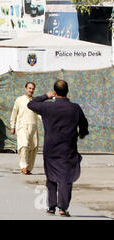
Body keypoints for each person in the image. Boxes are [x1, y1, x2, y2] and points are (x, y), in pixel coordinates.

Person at [27, 80, 89, 217]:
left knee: (51, 176)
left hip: (51, 148)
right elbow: (84, 124)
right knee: (65, 178)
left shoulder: (47, 107)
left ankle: (51, 206)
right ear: (67, 91)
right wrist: (82, 133)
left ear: (54, 92)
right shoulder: (75, 108)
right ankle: (63, 208)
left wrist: (45, 96)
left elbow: (30, 104)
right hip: (68, 148)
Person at [10, 82, 39, 175]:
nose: (31, 90)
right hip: (22, 125)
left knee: (33, 147)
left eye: (33, 88)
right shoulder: (19, 100)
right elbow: (14, 113)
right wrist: (12, 126)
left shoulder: (36, 101)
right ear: (25, 89)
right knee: (24, 145)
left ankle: (29, 167)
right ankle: (23, 166)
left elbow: (41, 114)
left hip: (33, 126)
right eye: (29, 88)